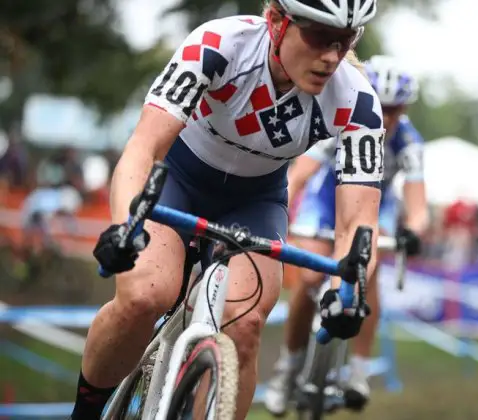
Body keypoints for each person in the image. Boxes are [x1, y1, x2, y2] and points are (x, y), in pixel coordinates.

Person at [70, 1, 384, 419]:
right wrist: (122, 225)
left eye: (344, 42)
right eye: (318, 36)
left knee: (245, 325)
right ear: (275, 22)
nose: (330, 56)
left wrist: (345, 292)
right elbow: (144, 147)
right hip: (177, 180)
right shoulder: (220, 45)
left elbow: (358, 224)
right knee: (146, 296)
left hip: (256, 201)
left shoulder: (357, 100)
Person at [264, 55, 428, 415]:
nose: (385, 118)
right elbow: (298, 177)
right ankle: (287, 368)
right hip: (324, 204)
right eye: (380, 105)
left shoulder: (410, 142)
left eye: (395, 110)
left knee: (369, 273)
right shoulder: (344, 116)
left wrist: (412, 232)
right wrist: (281, 207)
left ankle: (358, 371)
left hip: (373, 207)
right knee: (308, 277)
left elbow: (418, 207)